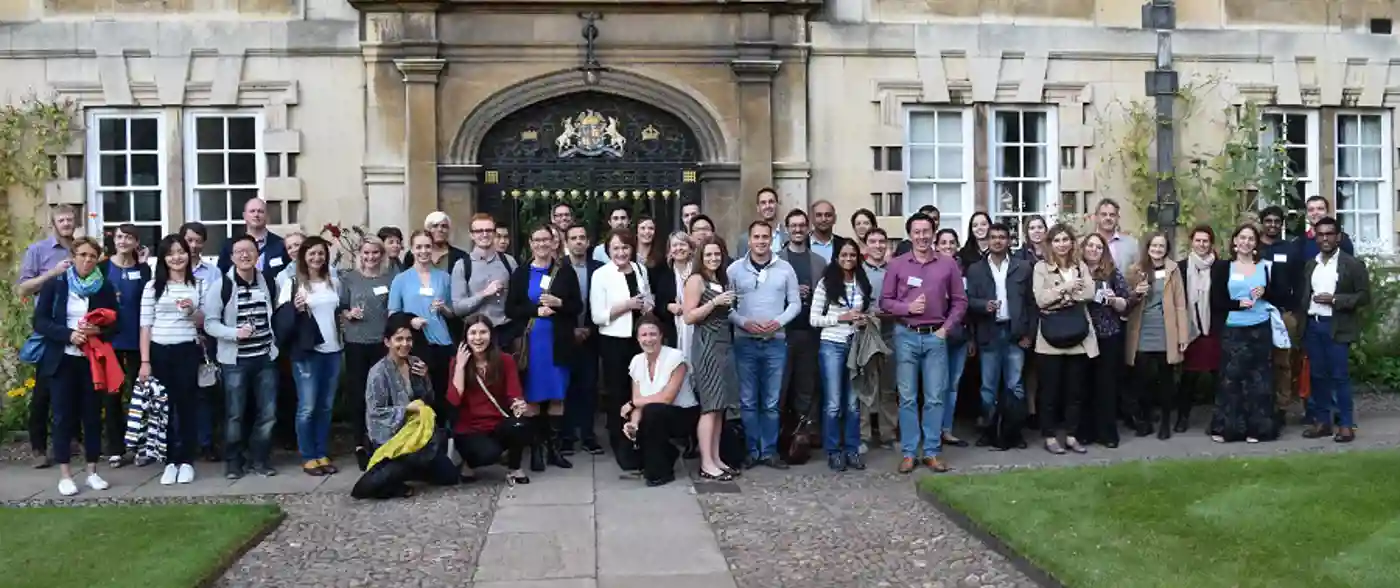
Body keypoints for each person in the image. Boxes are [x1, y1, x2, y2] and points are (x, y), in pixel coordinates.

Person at [882, 212, 966, 473]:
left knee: (934, 398)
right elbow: (884, 302)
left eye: (926, 231)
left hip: (935, 336)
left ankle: (931, 452)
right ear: (910, 235)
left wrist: (946, 329)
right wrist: (907, 307)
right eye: (916, 232)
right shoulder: (897, 265)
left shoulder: (948, 264)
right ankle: (909, 452)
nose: (921, 236)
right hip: (906, 335)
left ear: (933, 233)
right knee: (907, 398)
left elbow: (960, 301)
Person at [34, 236, 117, 496]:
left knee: (92, 416)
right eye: (82, 255)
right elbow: (40, 321)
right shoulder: (56, 285)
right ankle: (66, 475)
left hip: (92, 360)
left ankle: (92, 471)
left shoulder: (103, 287)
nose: (87, 260)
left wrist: (98, 330)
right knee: (62, 417)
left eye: (92, 256)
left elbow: (117, 325)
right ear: (73, 256)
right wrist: (68, 334)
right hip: (62, 359)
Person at [506, 224, 583, 472]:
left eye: (546, 240)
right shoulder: (520, 273)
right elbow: (511, 309)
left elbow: (577, 307)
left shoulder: (565, 272)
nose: (541, 244)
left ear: (554, 243)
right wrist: (535, 310)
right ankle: (536, 451)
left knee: (556, 396)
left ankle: (554, 450)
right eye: (536, 240)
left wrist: (559, 303)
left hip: (558, 343)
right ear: (530, 244)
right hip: (532, 346)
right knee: (533, 399)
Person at [203, 234, 280, 479]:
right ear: (232, 256)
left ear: (257, 254)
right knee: (235, 414)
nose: (245, 255)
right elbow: (210, 324)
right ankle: (234, 462)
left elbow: (275, 314)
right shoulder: (222, 286)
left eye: (250, 250)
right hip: (234, 360)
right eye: (239, 252)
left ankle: (260, 459)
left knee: (267, 413)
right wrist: (234, 333)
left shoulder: (268, 281)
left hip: (265, 357)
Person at [728, 221, 800, 469]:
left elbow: (795, 304)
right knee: (748, 401)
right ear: (749, 240)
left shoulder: (785, 269)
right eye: (756, 236)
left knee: (771, 401)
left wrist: (778, 323)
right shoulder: (735, 270)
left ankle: (769, 451)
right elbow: (726, 307)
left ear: (772, 239)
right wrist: (743, 322)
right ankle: (751, 450)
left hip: (775, 342)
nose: (760, 241)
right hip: (744, 342)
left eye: (765, 237)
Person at [364, 313, 458, 497]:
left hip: (418, 435)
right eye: (398, 339)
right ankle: (396, 470)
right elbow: (376, 412)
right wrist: (405, 409)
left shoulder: (415, 363)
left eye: (408, 339)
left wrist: (425, 378)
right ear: (387, 342)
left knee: (449, 476)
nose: (404, 344)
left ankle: (411, 469)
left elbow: (429, 400)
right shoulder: (378, 372)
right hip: (392, 438)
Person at [18, 204, 79, 468]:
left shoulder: (80, 249)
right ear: (53, 223)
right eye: (61, 220)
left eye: (70, 219)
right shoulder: (38, 251)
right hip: (49, 330)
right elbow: (23, 288)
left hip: (76, 329)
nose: (66, 223)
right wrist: (53, 273)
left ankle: (70, 441)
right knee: (43, 391)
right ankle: (39, 448)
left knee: (75, 387)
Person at [140, 235, 204, 485]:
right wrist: (145, 361)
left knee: (187, 405)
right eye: (171, 253)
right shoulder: (153, 287)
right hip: (160, 351)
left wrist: (190, 310)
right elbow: (145, 325)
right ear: (164, 258)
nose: (177, 257)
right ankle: (169, 461)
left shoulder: (197, 284)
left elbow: (202, 321)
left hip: (187, 350)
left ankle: (186, 460)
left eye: (181, 252)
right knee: (163, 408)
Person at [278, 236, 345, 476]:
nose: (317, 258)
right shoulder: (293, 283)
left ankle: (321, 452)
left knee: (326, 407)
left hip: (333, 351)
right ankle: (308, 456)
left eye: (320, 253)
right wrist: (295, 308)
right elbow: (282, 319)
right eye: (312, 254)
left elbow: (338, 313)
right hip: (307, 353)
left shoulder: (333, 282)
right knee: (307, 406)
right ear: (303, 257)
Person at [1207, 223, 1279, 444]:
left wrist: (1266, 291)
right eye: (1242, 238)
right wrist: (1238, 304)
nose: (1246, 242)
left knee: (1259, 380)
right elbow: (1216, 301)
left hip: (1260, 327)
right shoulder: (1222, 267)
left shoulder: (1265, 267)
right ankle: (1228, 428)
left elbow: (1280, 295)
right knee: (1232, 380)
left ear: (1256, 243)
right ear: (1235, 241)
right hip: (1234, 329)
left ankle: (1258, 429)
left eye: (1251, 239)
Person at [1031, 224, 1098, 455]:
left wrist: (1061, 296)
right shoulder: (1041, 268)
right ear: (1051, 244)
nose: (1062, 244)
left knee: (1075, 392)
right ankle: (1049, 436)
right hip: (1050, 339)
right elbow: (1041, 299)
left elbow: (1089, 293)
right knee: (1050, 392)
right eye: (1057, 240)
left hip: (1079, 338)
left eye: (1065, 239)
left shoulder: (1080, 266)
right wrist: (1066, 288)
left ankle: (1071, 435)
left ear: (1072, 243)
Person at [1300, 217, 1369, 443]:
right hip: (1314, 325)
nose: (1325, 238)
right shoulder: (1312, 264)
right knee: (1318, 377)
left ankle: (1346, 425)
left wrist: (1335, 300)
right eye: (1321, 235)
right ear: (1316, 237)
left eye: (1330, 234)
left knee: (1340, 377)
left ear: (1338, 237)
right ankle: (1323, 422)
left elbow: (1363, 296)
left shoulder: (1352, 264)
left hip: (1337, 326)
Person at [965, 223, 1034, 449]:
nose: (997, 241)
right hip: (989, 333)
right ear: (988, 240)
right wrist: (983, 305)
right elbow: (967, 302)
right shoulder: (976, 269)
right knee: (988, 387)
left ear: (1009, 241)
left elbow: (1031, 305)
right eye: (993, 237)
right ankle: (989, 431)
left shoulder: (1022, 267)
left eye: (1002, 237)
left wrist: (1029, 334)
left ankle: (1014, 432)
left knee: (1015, 386)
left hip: (1015, 334)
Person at [590, 228, 655, 463]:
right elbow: (598, 316)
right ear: (608, 250)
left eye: (625, 247)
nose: (621, 252)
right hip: (614, 340)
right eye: (616, 248)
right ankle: (619, 442)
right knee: (617, 392)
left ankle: (639, 435)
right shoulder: (601, 275)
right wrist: (627, 305)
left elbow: (648, 298)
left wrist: (647, 306)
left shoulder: (640, 269)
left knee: (640, 390)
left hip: (639, 340)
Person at [810, 239, 873, 471]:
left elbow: (865, 310)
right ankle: (834, 451)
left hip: (856, 345)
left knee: (853, 403)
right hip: (832, 346)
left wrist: (863, 319)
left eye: (852, 255)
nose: (848, 259)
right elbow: (814, 319)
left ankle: (852, 450)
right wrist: (840, 318)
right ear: (836, 258)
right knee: (834, 403)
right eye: (844, 255)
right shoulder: (826, 284)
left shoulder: (861, 283)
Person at [448, 315, 532, 485]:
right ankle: (469, 463)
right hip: (470, 428)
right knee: (488, 454)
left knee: (521, 425)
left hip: (497, 422)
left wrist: (518, 404)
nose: (478, 338)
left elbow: (514, 392)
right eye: (473, 333)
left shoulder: (505, 360)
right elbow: (454, 400)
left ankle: (515, 467)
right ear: (466, 337)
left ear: (491, 335)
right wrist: (460, 367)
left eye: (483, 332)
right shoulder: (457, 363)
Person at [683, 235, 741, 480]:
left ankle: (716, 458)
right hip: (706, 345)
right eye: (708, 254)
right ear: (700, 256)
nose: (713, 258)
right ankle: (706, 462)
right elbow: (688, 316)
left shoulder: (721, 279)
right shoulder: (696, 280)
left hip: (724, 345)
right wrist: (715, 302)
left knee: (720, 406)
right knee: (709, 406)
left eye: (717, 254)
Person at [1124, 232, 1190, 439]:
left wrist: (1183, 336)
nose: (1157, 250)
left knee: (1166, 379)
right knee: (1142, 379)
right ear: (1148, 247)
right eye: (1154, 246)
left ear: (1166, 249)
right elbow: (1126, 300)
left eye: (1161, 246)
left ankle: (1165, 424)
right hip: (1142, 329)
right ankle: (1144, 420)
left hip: (1166, 330)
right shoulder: (1136, 270)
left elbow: (1180, 303)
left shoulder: (1173, 269)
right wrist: (1136, 292)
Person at [622, 316, 699, 487]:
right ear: (637, 338)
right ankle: (667, 453)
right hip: (653, 415)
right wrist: (633, 424)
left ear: (661, 336)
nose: (648, 339)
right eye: (644, 335)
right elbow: (638, 399)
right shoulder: (636, 361)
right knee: (627, 459)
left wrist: (634, 404)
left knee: (653, 412)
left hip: (682, 413)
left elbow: (667, 398)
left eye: (652, 334)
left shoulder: (676, 357)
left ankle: (662, 472)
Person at [340, 237, 395, 470]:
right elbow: (340, 306)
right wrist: (348, 313)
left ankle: (380, 439)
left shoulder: (390, 278)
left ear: (381, 254)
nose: (370, 257)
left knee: (382, 393)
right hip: (356, 343)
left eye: (375, 253)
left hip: (381, 343)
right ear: (359, 254)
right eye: (366, 253)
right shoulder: (349, 278)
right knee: (359, 393)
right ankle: (359, 442)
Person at [390, 230, 456, 412]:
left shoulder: (444, 277)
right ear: (412, 249)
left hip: (441, 342)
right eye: (419, 247)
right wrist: (410, 321)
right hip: (414, 343)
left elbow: (452, 313)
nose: (423, 251)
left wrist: (443, 308)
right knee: (419, 394)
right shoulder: (401, 280)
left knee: (441, 392)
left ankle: (442, 435)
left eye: (427, 246)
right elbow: (393, 314)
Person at [776, 209, 826, 448]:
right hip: (783, 332)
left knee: (807, 387)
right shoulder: (776, 260)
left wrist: (814, 294)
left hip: (810, 332)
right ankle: (780, 437)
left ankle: (804, 436)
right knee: (781, 386)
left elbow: (828, 297)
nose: (797, 229)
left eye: (801, 225)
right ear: (787, 228)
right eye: (793, 225)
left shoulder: (819, 261)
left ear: (808, 229)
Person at [101, 223, 149, 468]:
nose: (123, 241)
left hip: (138, 339)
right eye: (119, 237)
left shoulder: (143, 270)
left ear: (136, 242)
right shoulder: (103, 267)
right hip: (111, 341)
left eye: (128, 237)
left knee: (139, 396)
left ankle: (141, 445)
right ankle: (116, 448)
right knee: (113, 396)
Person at [1078, 232, 1129, 447]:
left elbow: (1126, 302)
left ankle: (1107, 433)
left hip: (1108, 334)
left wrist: (1114, 300)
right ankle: (1085, 432)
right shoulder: (1075, 271)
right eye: (1090, 246)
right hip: (1081, 335)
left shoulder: (1111, 272)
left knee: (1106, 385)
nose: (1094, 250)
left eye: (1098, 247)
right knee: (1083, 385)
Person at [560, 223, 605, 456]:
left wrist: (588, 328)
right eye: (573, 238)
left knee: (589, 387)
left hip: (591, 335)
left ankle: (588, 435)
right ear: (566, 243)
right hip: (565, 337)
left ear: (588, 242)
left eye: (582, 237)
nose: (578, 241)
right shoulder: (556, 268)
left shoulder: (600, 268)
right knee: (566, 387)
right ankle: (567, 436)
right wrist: (571, 330)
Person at [180, 221, 223, 463]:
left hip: (206, 340)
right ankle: (182, 443)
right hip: (177, 339)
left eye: (198, 241)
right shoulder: (172, 270)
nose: (193, 246)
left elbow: (216, 307)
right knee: (181, 392)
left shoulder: (213, 272)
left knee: (206, 393)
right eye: (189, 240)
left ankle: (206, 443)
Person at [1257, 206, 1299, 427]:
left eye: (1276, 221)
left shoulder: (1290, 249)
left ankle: (1282, 407)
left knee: (1284, 361)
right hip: (1257, 313)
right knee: (1260, 361)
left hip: (1284, 314)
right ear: (1262, 222)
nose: (1272, 225)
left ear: (1281, 224)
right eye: (1268, 221)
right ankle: (1261, 404)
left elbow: (1299, 282)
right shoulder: (1254, 247)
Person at [857, 227, 897, 448]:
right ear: (865, 246)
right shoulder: (858, 271)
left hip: (891, 332)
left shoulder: (894, 270)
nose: (878, 245)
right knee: (865, 387)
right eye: (873, 241)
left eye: (883, 241)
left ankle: (888, 434)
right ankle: (863, 435)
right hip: (867, 334)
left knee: (888, 387)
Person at [454, 213, 516, 350]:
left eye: (488, 230)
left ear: (494, 233)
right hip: (476, 336)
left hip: (505, 333)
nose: (484, 234)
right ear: (471, 235)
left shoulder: (509, 262)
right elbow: (458, 308)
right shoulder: (462, 265)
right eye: (479, 231)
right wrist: (484, 293)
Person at [934, 228, 973, 448]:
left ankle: (946, 430)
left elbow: (967, 307)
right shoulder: (930, 268)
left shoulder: (964, 272)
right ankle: (932, 430)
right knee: (935, 385)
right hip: (936, 335)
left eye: (952, 242)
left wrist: (971, 338)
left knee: (953, 384)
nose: (948, 246)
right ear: (936, 246)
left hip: (960, 336)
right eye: (943, 243)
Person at [1179, 225, 1220, 422]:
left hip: (1213, 329)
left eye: (1205, 241)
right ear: (1191, 242)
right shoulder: (1181, 267)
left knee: (1218, 375)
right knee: (1188, 376)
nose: (1202, 244)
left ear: (1211, 243)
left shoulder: (1221, 267)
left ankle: (1220, 417)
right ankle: (1182, 417)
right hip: (1190, 328)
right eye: (1198, 240)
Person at [217, 198, 290, 284]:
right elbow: (221, 274)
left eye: (260, 211)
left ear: (267, 216)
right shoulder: (230, 245)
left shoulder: (281, 244)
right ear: (244, 216)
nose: (256, 215)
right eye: (252, 211)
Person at [736, 188, 787, 258]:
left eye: (771, 202)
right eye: (763, 203)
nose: (767, 206)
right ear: (758, 207)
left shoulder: (788, 236)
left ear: (777, 205)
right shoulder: (744, 240)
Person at [1093, 198, 1139, 269]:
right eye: (1104, 214)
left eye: (1112, 215)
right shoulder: (1085, 244)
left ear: (1118, 218)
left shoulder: (1131, 244)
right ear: (1096, 217)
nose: (1108, 218)